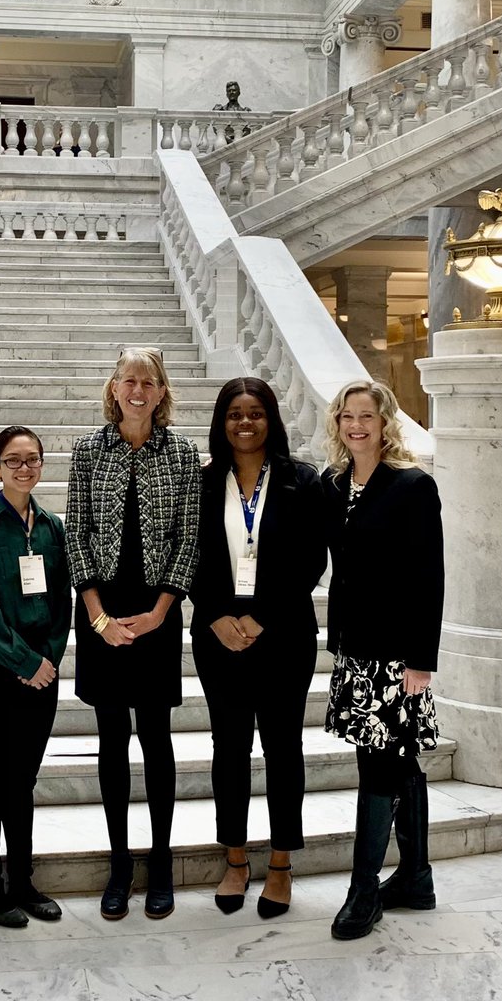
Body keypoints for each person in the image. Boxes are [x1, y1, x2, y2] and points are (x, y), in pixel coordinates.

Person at [65, 346, 201, 922]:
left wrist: (160, 612)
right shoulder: (88, 451)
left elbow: (189, 537)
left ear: (162, 390)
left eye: (149, 381)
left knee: (156, 739)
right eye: (129, 380)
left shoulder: (183, 453)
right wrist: (97, 616)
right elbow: (75, 531)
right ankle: (121, 864)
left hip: (156, 613)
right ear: (114, 387)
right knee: (112, 738)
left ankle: (161, 863)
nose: (139, 390)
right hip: (102, 611)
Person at [190, 378, 326, 919]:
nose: (244, 423)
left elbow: (310, 560)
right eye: (234, 414)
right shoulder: (202, 482)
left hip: (284, 635)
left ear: (271, 418)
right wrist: (216, 614)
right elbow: (189, 555)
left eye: (255, 413)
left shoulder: (302, 481)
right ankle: (236, 859)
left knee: (283, 749)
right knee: (229, 750)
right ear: (221, 422)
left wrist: (260, 616)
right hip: (218, 636)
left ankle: (281, 865)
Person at [322, 379, 444, 941]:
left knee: (379, 768)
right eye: (347, 416)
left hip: (397, 656)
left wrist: (421, 661)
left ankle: (363, 890)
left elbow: (428, 579)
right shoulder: (334, 484)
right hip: (355, 649)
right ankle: (415, 878)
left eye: (366, 416)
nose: (356, 425)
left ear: (385, 421)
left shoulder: (413, 485)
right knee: (401, 765)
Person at [0, 426, 72, 929]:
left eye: (32, 460)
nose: (23, 468)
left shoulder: (51, 526)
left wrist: (47, 660)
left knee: (23, 781)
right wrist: (23, 662)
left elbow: (62, 601)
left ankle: (23, 882)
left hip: (42, 674)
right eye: (13, 460)